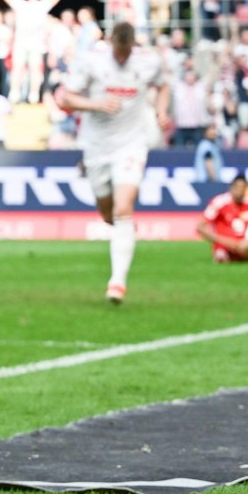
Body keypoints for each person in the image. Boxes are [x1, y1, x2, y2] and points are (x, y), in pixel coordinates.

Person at [58, 21, 170, 304]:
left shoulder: (148, 61)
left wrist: (161, 111)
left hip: (132, 144)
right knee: (108, 213)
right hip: (96, 146)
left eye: (125, 52)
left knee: (123, 209)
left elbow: (163, 85)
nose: (121, 57)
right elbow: (65, 99)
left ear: (133, 46)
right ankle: (123, 231)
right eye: (118, 52)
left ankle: (117, 282)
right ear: (110, 43)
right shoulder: (91, 60)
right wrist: (96, 104)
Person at [2, 0, 63, 105]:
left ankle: (15, 93)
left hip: (23, 42)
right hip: (33, 43)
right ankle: (33, 95)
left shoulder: (21, 5)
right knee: (33, 69)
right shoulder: (41, 5)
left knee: (19, 68)